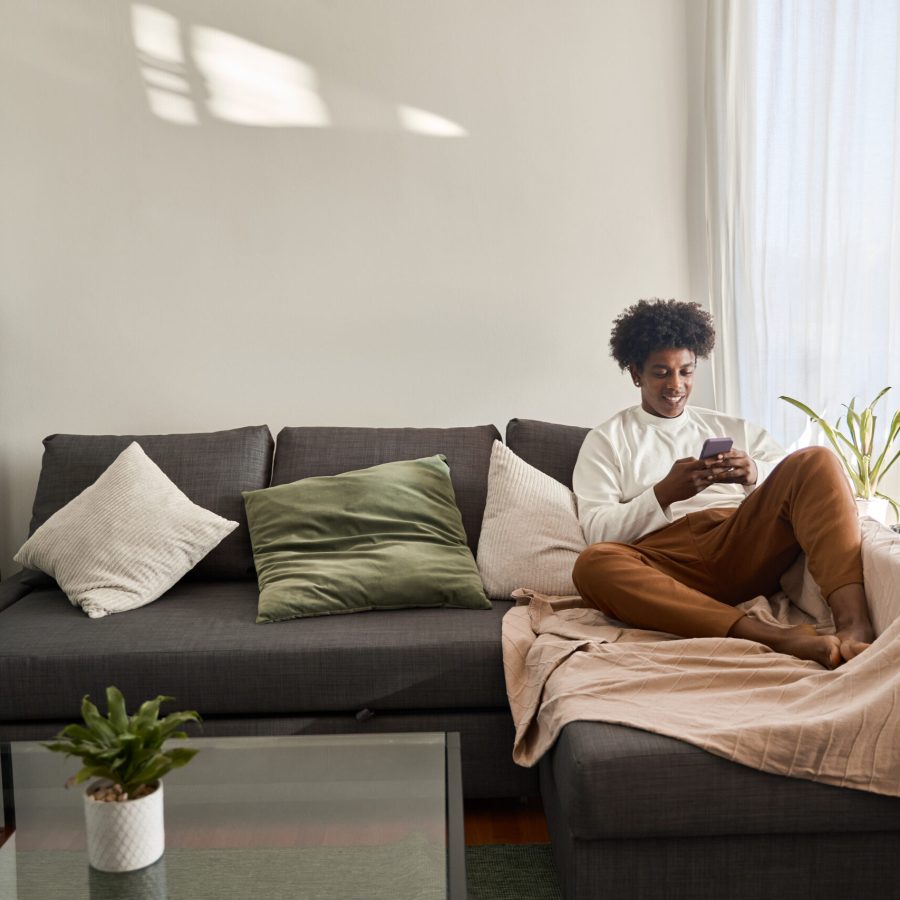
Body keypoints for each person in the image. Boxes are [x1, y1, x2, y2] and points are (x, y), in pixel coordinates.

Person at [571, 298, 874, 668]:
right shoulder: (606, 440)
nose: (676, 385)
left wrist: (754, 474)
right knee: (592, 565)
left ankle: (854, 627)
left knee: (818, 459)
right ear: (636, 374)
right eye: (661, 373)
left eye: (686, 371)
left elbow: (801, 478)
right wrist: (664, 493)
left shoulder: (730, 426)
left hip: (738, 539)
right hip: (666, 562)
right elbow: (598, 532)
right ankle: (774, 637)